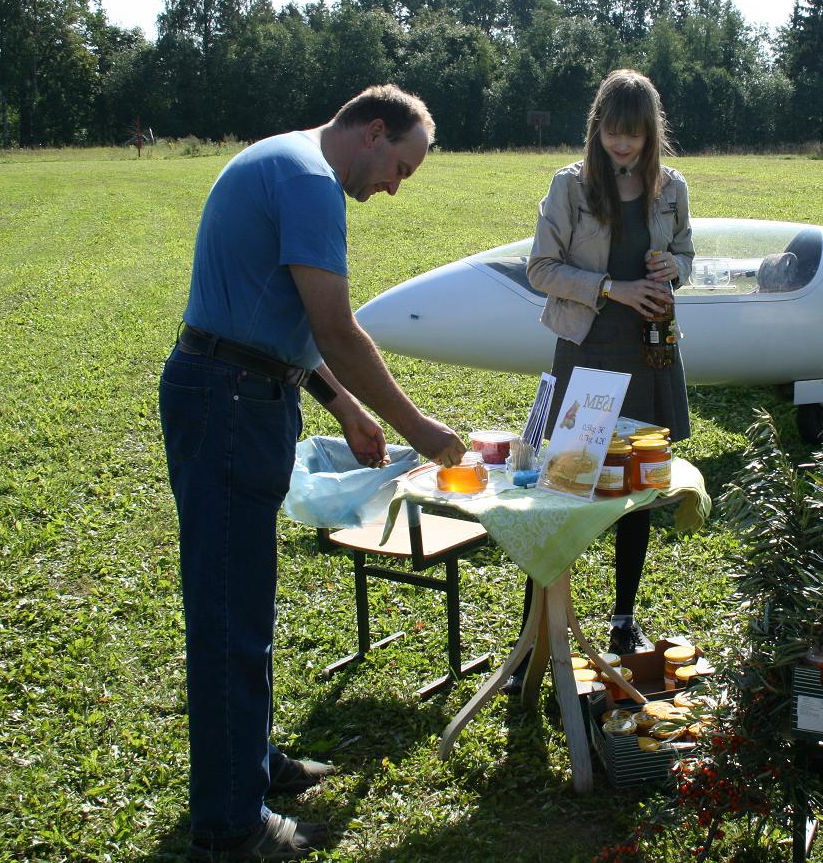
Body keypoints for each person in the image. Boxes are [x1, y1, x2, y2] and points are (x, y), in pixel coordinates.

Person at [160, 84, 465, 861]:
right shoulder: (308, 181)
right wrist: (420, 430)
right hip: (229, 402)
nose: (395, 187)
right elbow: (336, 324)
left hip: (238, 389)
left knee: (245, 602)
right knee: (230, 616)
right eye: (401, 166)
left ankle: (251, 766)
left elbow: (287, 324)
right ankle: (232, 826)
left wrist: (345, 411)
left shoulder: (287, 157)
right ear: (372, 132)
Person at [507, 69, 693, 682]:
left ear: (650, 132)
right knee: (566, 484)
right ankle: (539, 618)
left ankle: (622, 615)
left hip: (649, 352)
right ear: (597, 129)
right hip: (586, 349)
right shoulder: (570, 187)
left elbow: (687, 256)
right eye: (612, 132)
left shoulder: (672, 188)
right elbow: (541, 268)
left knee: (635, 491)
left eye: (633, 134)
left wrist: (674, 265)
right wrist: (613, 287)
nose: (622, 145)